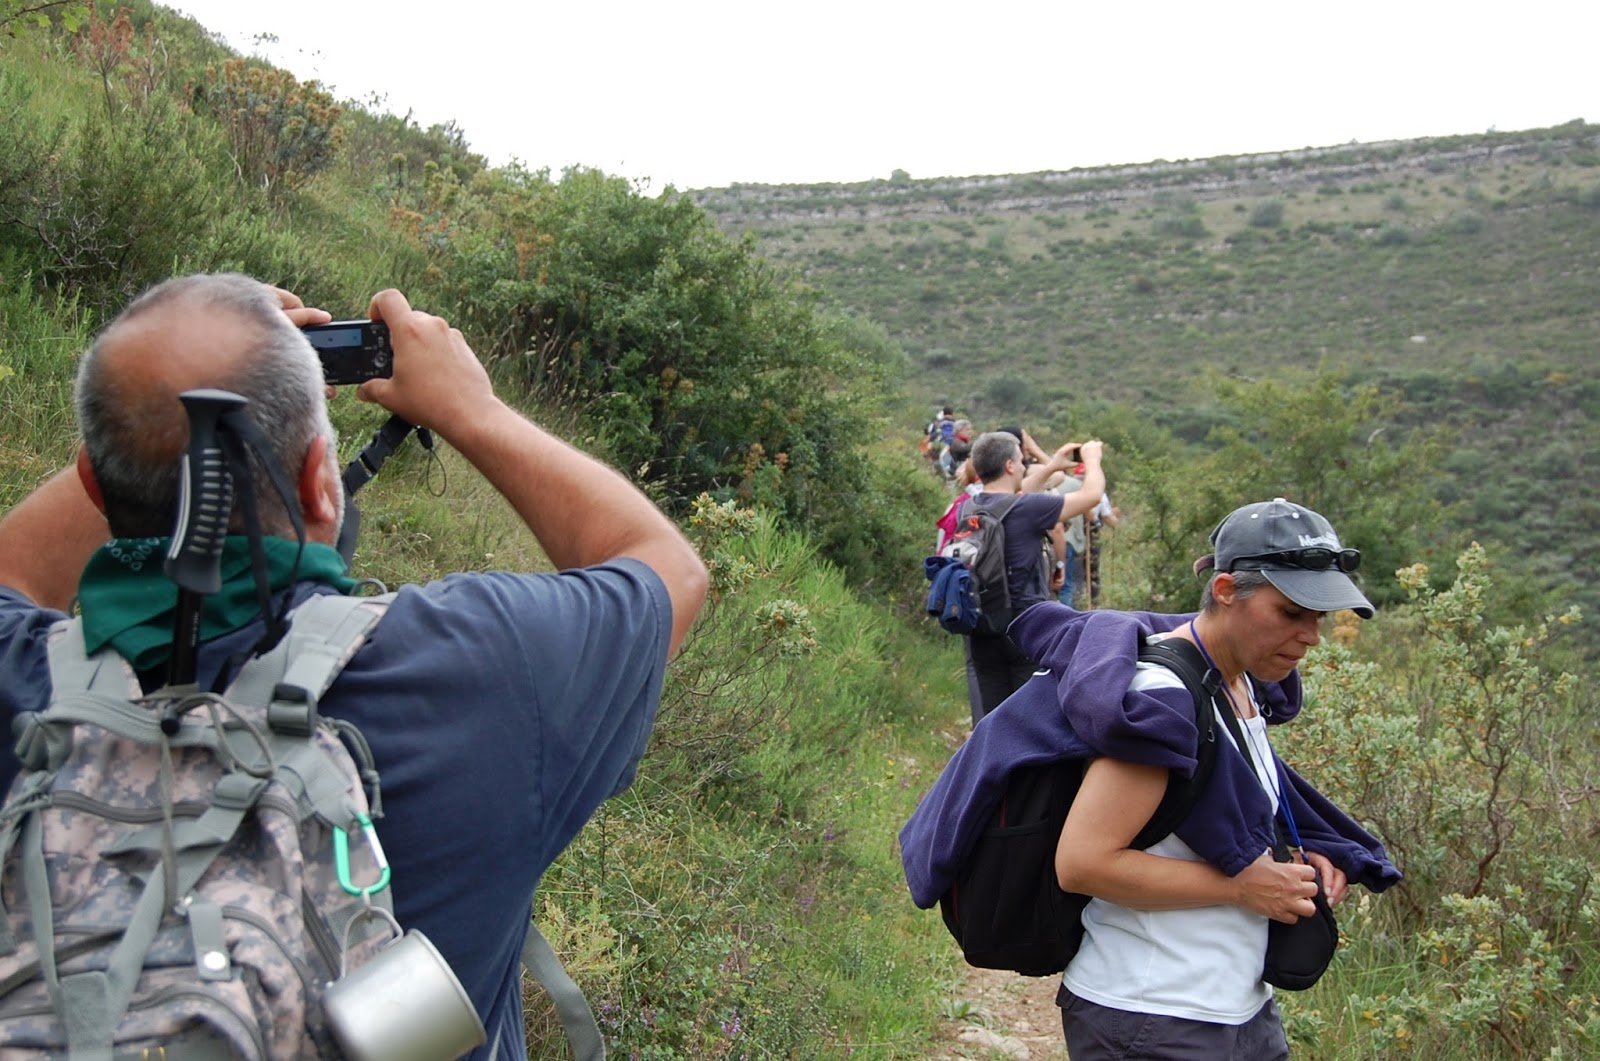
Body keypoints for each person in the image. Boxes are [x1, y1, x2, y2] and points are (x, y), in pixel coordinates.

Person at [0, 273, 710, 1060]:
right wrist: (469, 408)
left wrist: (155, 418)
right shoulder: (485, 667)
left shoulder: (25, 685)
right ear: (320, 485)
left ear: (94, 484)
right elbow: (668, 569)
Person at [1039, 497, 1397, 1059]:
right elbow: (1083, 863)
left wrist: (1296, 864)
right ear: (1226, 590)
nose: (1311, 636)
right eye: (1291, 613)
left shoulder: (1240, 684)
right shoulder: (1162, 699)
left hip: (1241, 1007)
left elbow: (1197, 821)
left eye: (1319, 618)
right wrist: (1240, 888)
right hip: (1153, 1014)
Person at [959, 431, 1105, 725]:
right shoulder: (1030, 509)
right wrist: (1092, 459)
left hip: (982, 625)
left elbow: (1010, 498)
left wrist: (1051, 467)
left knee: (994, 721)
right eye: (1020, 460)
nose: (1024, 466)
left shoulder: (969, 506)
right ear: (1009, 465)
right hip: (1026, 629)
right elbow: (1091, 496)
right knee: (1031, 723)